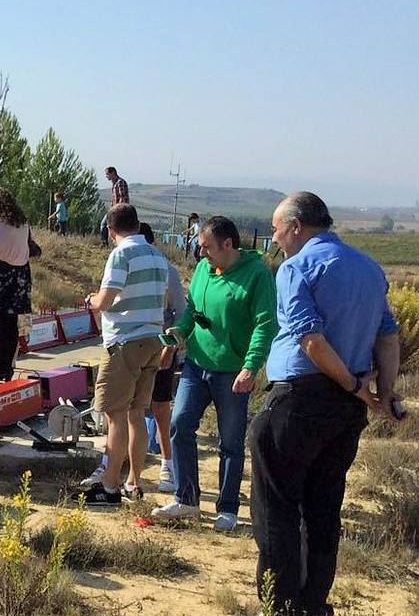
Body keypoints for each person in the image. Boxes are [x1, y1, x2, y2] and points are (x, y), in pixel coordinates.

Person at [245, 192, 401, 616]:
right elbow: (388, 337)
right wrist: (381, 394)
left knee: (275, 509)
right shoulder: (369, 269)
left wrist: (352, 385)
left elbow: (309, 340)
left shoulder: (297, 268)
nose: (274, 238)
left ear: (295, 226)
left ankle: (280, 615)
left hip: (300, 400)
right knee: (322, 508)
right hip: (346, 410)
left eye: (276, 228)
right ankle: (312, 613)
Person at [152, 216, 277, 531]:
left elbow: (265, 324)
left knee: (231, 442)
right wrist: (177, 336)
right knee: (180, 426)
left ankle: (228, 508)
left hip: (233, 371)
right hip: (196, 365)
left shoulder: (257, 275)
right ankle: (187, 500)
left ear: (228, 244)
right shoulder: (203, 270)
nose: (201, 253)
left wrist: (251, 366)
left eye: (206, 247)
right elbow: (192, 314)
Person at [77, 204, 169, 504]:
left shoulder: (121, 254)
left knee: (114, 416)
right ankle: (134, 481)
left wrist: (91, 300)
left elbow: (105, 300)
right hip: (153, 340)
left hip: (124, 342)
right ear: (138, 224)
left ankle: (110, 485)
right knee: (137, 415)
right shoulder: (157, 255)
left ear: (110, 230)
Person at [138, 222, 186, 494]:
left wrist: (170, 349)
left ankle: (168, 465)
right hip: (131, 350)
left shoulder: (167, 271)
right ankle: (129, 468)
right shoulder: (124, 266)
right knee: (129, 412)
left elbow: (180, 314)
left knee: (159, 409)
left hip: (159, 351)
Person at [0, 188, 35, 383]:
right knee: (11, 326)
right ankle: (8, 366)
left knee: (1, 325)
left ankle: (1, 368)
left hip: (2, 276)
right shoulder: (22, 222)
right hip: (20, 277)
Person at [99, 166, 129, 244]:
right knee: (106, 224)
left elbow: (122, 197)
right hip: (114, 209)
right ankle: (104, 242)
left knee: (105, 224)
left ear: (113, 173)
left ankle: (105, 243)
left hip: (119, 210)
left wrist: (118, 209)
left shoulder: (120, 182)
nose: (106, 176)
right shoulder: (115, 183)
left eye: (107, 174)